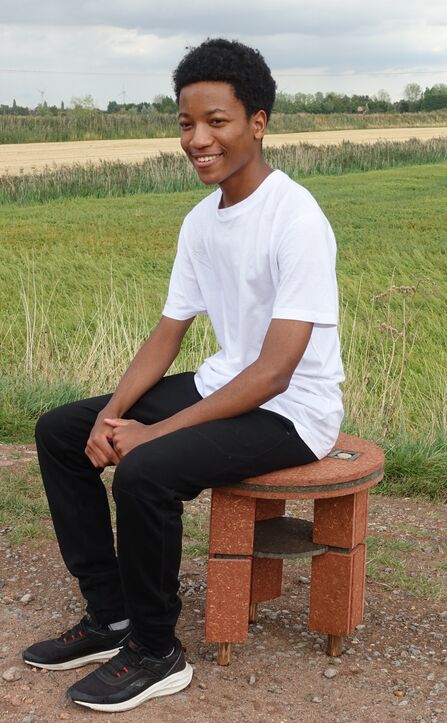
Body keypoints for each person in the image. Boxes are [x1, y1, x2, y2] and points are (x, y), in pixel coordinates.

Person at [22, 38, 344, 713]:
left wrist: (153, 433)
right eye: (185, 123)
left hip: (292, 410)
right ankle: (109, 615)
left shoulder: (296, 218)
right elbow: (168, 333)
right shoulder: (202, 221)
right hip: (224, 384)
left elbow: (277, 370)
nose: (198, 138)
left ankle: (154, 648)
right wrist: (114, 416)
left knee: (146, 469)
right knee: (60, 431)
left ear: (257, 123)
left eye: (216, 121)